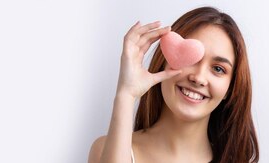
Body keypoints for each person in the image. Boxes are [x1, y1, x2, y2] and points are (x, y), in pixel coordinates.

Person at [88, 7, 259, 163]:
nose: (198, 78)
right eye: (191, 58)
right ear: (164, 60)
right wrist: (126, 94)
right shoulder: (108, 150)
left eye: (218, 69)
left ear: (230, 89)